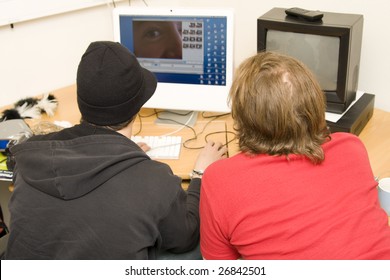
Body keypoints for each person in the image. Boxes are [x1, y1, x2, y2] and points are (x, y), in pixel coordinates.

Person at [4, 41, 227, 259]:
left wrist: (127, 159)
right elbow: (186, 236)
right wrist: (199, 175)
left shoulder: (29, 156)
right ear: (137, 105)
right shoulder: (155, 181)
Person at [199, 51, 390, 260]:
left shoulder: (219, 180)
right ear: (316, 104)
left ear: (242, 117)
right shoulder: (352, 146)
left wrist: (199, 174)